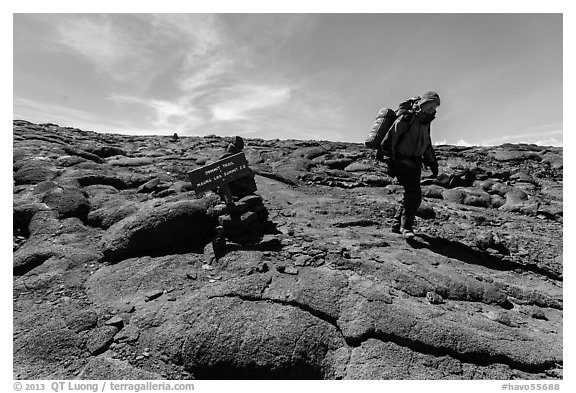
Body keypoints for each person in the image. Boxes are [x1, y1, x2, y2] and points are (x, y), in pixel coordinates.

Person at [387, 91, 441, 239]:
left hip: (415, 162)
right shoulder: (408, 117)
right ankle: (406, 227)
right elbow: (392, 137)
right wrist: (392, 161)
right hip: (401, 161)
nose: (432, 110)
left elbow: (427, 143)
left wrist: (432, 161)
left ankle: (396, 224)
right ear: (422, 105)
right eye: (430, 106)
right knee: (415, 195)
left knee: (410, 194)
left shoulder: (426, 122)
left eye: (435, 107)